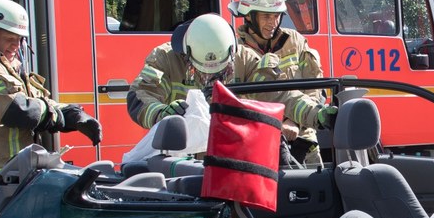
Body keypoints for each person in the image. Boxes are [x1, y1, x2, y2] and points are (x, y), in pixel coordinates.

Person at [0, 0, 102, 197]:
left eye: (20, 39)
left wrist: (74, 114)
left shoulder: (7, 67)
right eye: (9, 38)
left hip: (11, 178)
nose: (16, 45)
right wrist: (62, 116)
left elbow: (39, 101)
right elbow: (17, 110)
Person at [127, 13, 335, 133]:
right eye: (203, 71)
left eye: (221, 71)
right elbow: (141, 96)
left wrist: (317, 114)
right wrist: (161, 114)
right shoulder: (165, 58)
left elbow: (280, 94)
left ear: (232, 51)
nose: (211, 79)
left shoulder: (245, 58)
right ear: (187, 54)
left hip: (228, 150)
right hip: (179, 151)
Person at [230, 0, 324, 162]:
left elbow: (315, 87)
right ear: (248, 16)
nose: (273, 23)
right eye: (266, 16)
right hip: (257, 144)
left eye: (277, 16)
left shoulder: (295, 41)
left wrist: (294, 122)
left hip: (303, 140)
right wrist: (277, 124)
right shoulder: (235, 52)